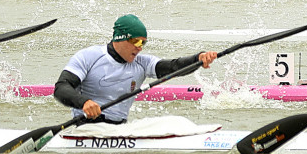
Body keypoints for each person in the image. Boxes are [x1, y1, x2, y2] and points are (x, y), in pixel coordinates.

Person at [53, 14, 218, 123]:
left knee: (177, 122)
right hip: (87, 128)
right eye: (136, 42)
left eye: (143, 43)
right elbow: (61, 87)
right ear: (121, 38)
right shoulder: (89, 56)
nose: (140, 48)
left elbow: (172, 67)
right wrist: (84, 102)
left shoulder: (142, 63)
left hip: (119, 129)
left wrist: (198, 58)